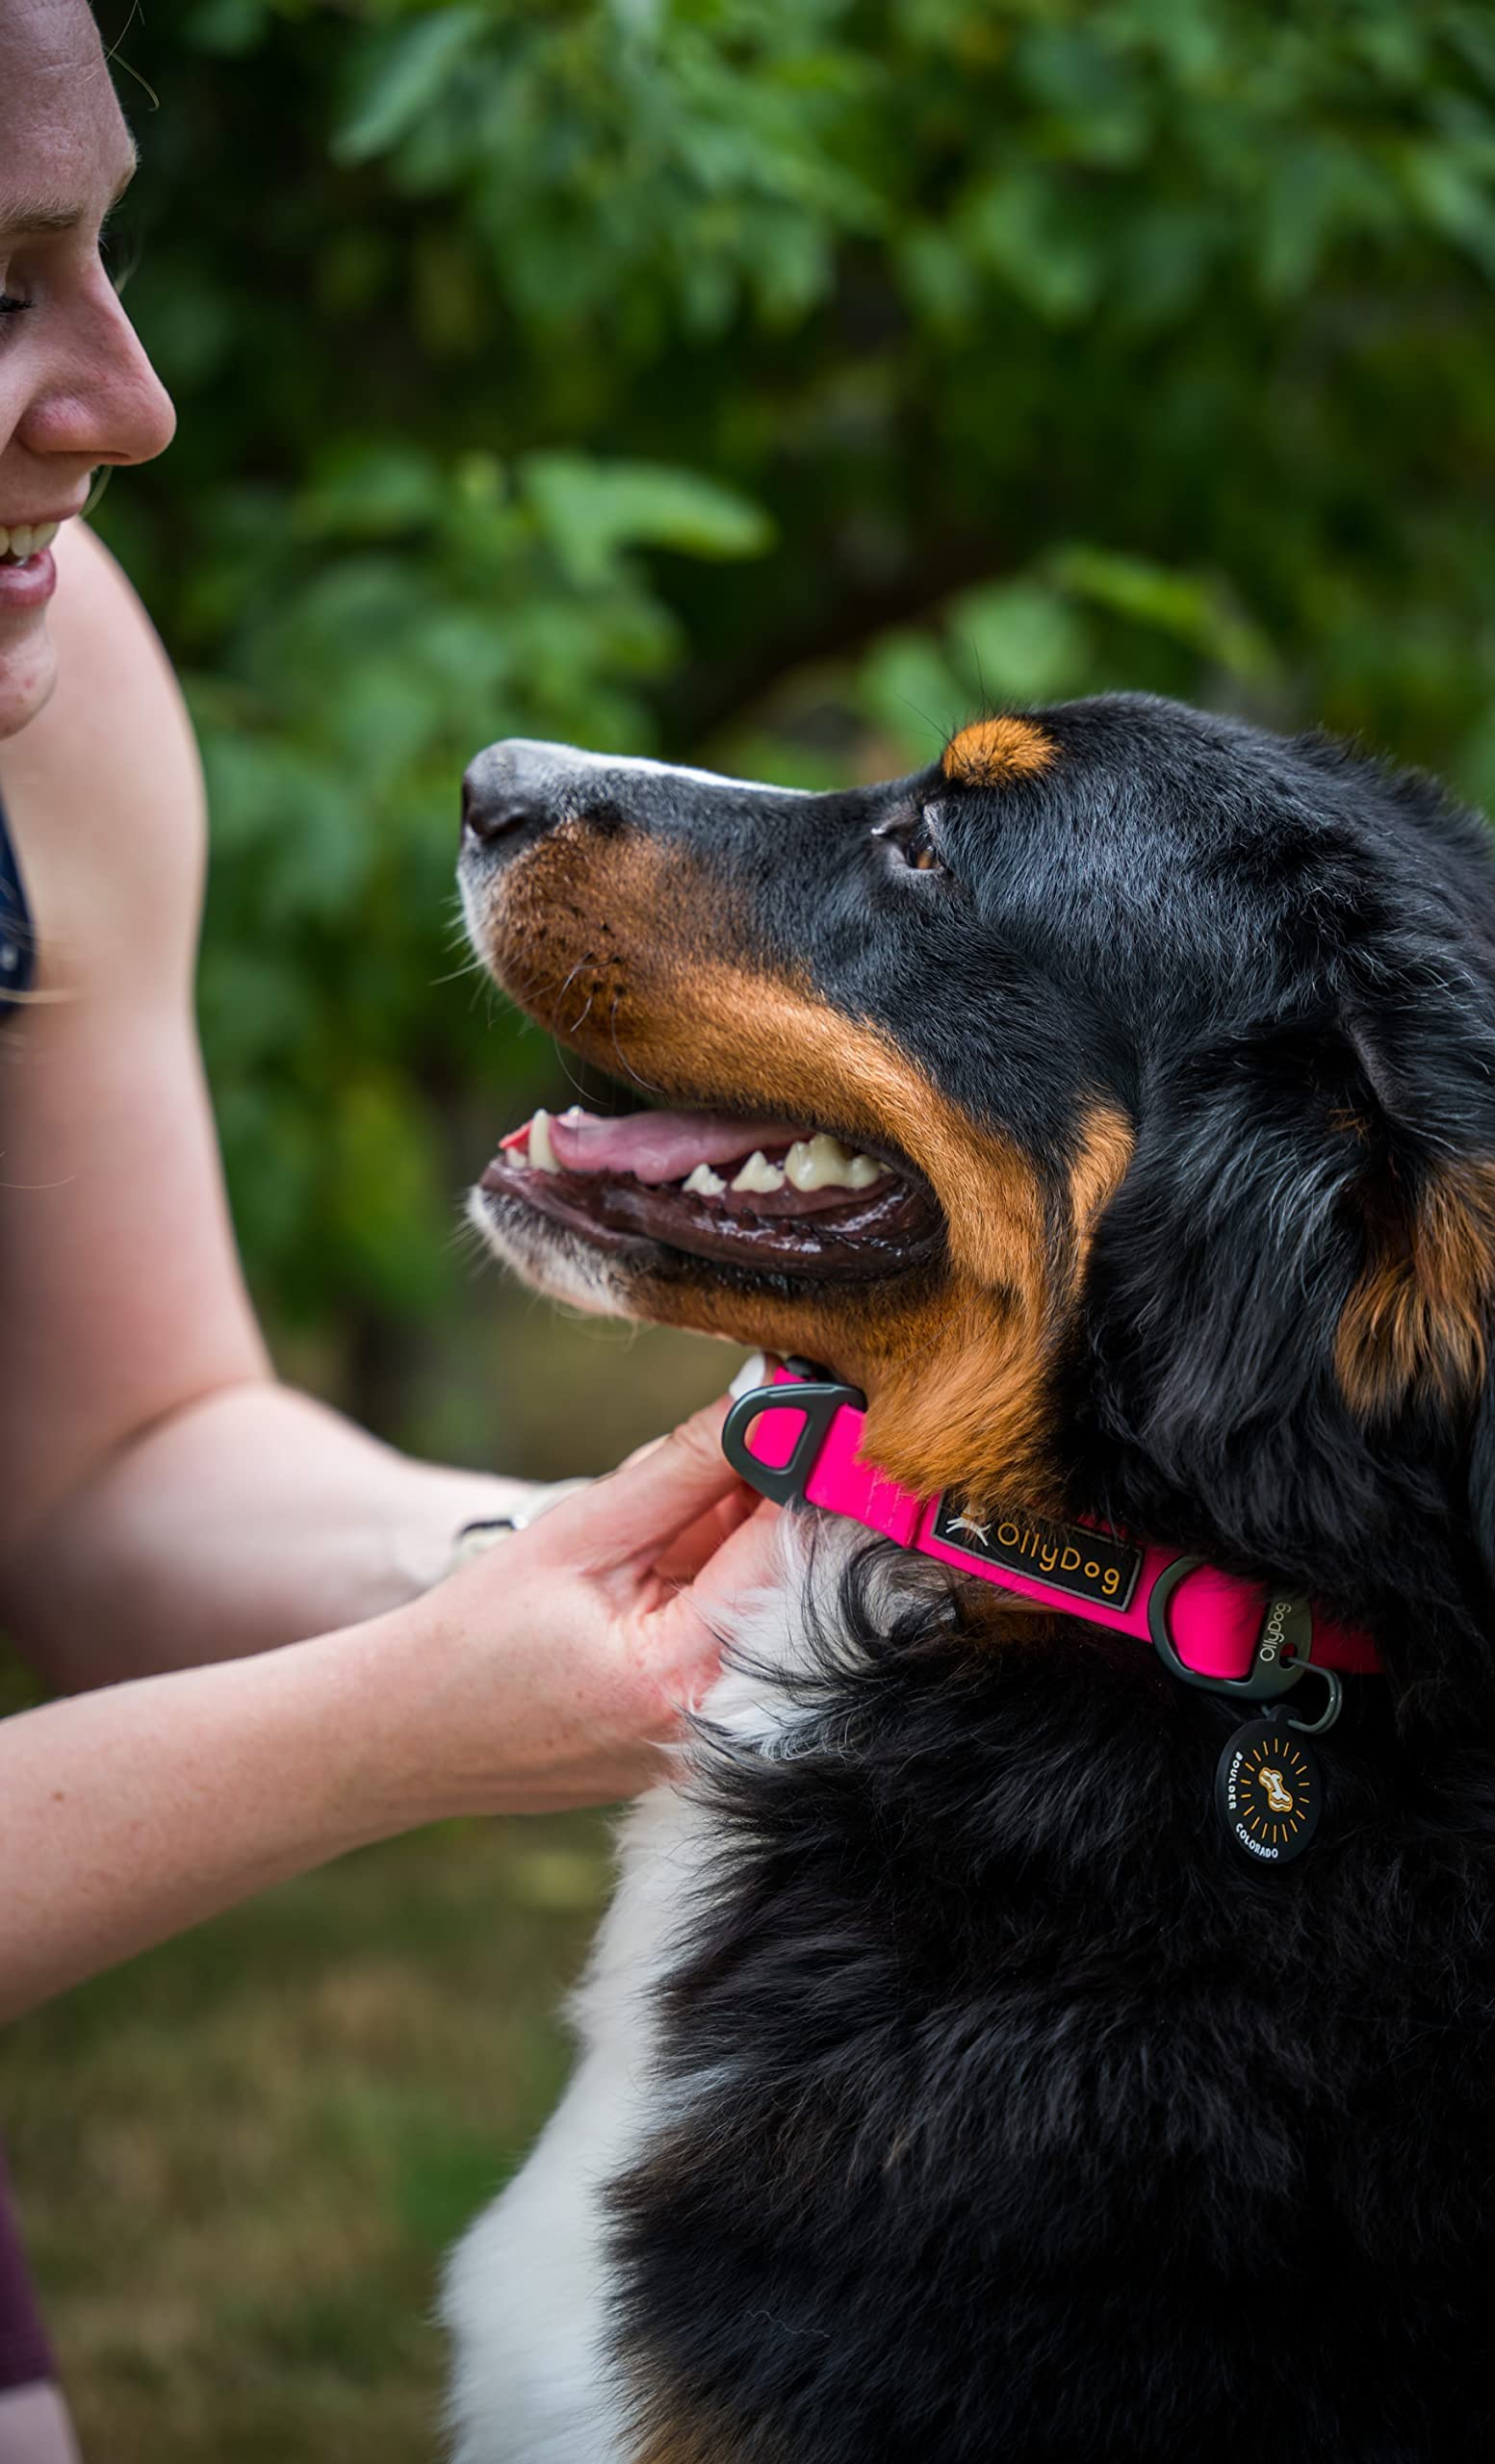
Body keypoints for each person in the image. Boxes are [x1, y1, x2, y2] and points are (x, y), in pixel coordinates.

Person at [0, 5, 774, 2453]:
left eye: (104, 249)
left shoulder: (52, 696)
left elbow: (116, 1457)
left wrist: (556, 1559)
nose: (126, 400)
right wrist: (395, 1731)